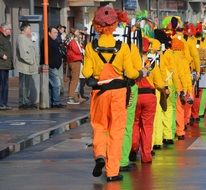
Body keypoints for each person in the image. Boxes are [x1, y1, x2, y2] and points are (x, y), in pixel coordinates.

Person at [82, 6, 147, 182]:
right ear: (114, 25)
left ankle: (100, 155)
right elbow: (131, 73)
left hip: (99, 93)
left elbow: (87, 72)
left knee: (99, 126)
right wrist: (139, 74)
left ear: (96, 25)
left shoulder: (90, 47)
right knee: (116, 131)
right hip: (119, 93)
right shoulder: (123, 47)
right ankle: (112, 171)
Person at [15, 22, 39, 109]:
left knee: (27, 85)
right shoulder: (21, 38)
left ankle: (27, 101)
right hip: (24, 66)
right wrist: (31, 61)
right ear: (24, 29)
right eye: (29, 29)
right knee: (24, 85)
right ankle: (23, 102)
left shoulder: (26, 38)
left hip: (28, 67)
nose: (30, 30)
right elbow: (23, 53)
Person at [41, 26, 65, 108]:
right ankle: (56, 102)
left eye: (57, 33)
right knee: (56, 84)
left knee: (53, 85)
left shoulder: (55, 41)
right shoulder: (46, 41)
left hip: (54, 66)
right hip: (51, 66)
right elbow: (47, 54)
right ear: (49, 33)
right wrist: (52, 64)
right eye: (54, 32)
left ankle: (54, 101)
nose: (56, 34)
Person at [66, 27, 83, 104]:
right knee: (75, 80)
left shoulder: (73, 41)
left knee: (73, 79)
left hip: (73, 60)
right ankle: (71, 97)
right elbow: (78, 51)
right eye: (78, 32)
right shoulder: (73, 41)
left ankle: (74, 96)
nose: (79, 33)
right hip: (75, 61)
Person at [0, 23, 13, 110]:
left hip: (6, 65)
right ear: (4, 29)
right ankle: (1, 104)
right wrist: (2, 55)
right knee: (2, 85)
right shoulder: (1, 38)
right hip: (1, 65)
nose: (10, 31)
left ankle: (4, 103)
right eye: (9, 29)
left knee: (5, 85)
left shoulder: (7, 38)